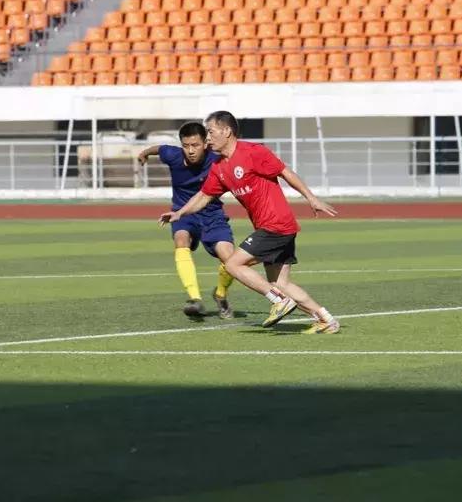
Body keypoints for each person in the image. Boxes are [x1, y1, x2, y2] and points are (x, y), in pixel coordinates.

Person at [159, 110, 341, 334]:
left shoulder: (253, 152)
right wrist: (180, 213)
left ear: (226, 131)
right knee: (281, 283)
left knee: (234, 264)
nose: (207, 138)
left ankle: (278, 301)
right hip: (274, 227)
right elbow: (204, 196)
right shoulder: (219, 167)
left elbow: (285, 172)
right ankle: (326, 319)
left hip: (276, 225)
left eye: (211, 132)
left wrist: (311, 198)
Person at [138, 122, 236, 319]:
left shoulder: (216, 159)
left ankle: (220, 294)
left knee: (230, 258)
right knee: (181, 239)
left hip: (212, 214)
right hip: (183, 213)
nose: (190, 150)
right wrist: (144, 153)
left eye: (195, 145)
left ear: (205, 144)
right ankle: (195, 299)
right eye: (186, 145)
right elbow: (158, 149)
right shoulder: (173, 155)